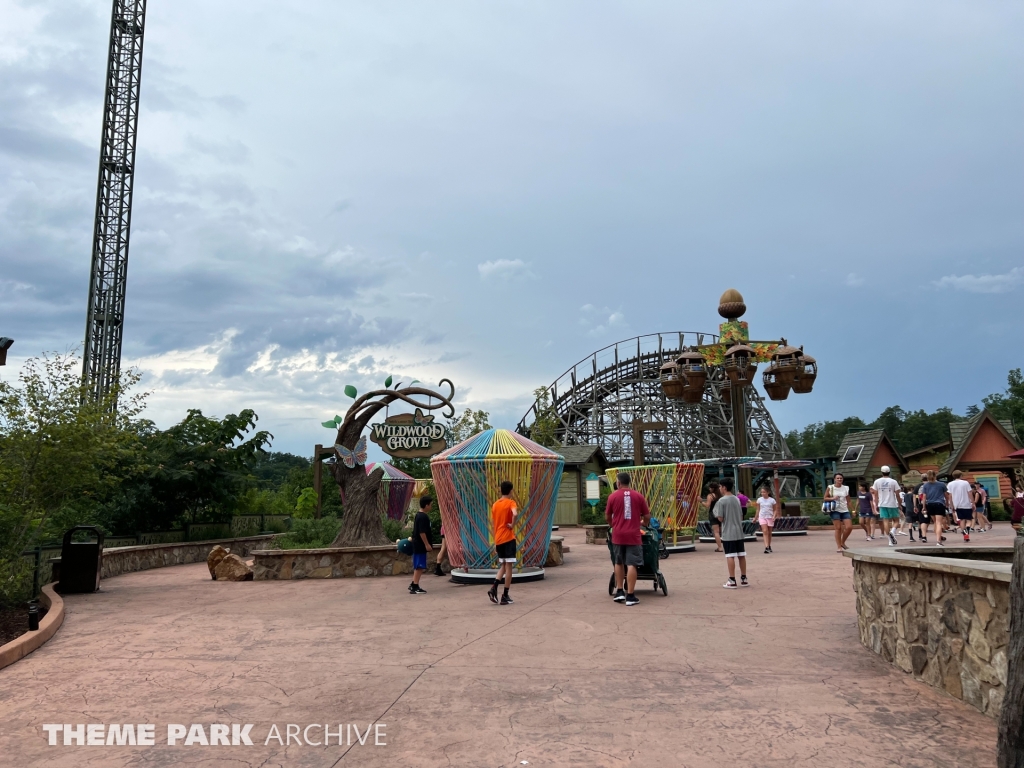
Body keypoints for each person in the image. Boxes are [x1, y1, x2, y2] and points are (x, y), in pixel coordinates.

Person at [606, 471, 651, 606]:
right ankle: (630, 596)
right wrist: (644, 523)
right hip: (634, 534)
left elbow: (608, 516)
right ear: (628, 482)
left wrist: (613, 525)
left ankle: (619, 592)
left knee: (618, 562)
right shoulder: (638, 496)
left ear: (618, 483)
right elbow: (647, 516)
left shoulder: (613, 496)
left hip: (618, 534)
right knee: (632, 564)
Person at [488, 481, 518, 605]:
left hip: (499, 539)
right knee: (509, 567)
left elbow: (494, 524)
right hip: (508, 538)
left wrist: (495, 542)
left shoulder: (495, 505)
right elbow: (515, 513)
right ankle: (505, 595)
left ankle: (494, 587)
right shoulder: (511, 502)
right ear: (510, 491)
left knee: (503, 566)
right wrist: (512, 524)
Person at [717, 477, 748, 588]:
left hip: (728, 532)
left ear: (724, 487)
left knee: (730, 555)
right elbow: (740, 515)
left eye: (720, 486)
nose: (720, 488)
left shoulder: (721, 501)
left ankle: (732, 579)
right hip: (738, 531)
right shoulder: (736, 499)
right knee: (741, 555)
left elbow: (720, 518)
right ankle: (744, 578)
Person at [871, 466, 902, 547]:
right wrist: (899, 503)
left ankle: (890, 541)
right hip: (892, 503)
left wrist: (877, 504)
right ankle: (893, 531)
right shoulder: (893, 481)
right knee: (896, 521)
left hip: (882, 504)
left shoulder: (877, 481)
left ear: (881, 472)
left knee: (885, 521)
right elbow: (897, 494)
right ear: (889, 472)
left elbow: (876, 494)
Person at [409, 496, 433, 594]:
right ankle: (415, 586)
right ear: (426, 505)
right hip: (420, 545)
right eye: (430, 505)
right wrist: (427, 544)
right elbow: (422, 532)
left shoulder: (418, 515)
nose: (431, 507)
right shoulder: (423, 517)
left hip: (417, 544)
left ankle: (413, 583)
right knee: (419, 566)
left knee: (418, 565)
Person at [824, 473, 853, 552]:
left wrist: (853, 510)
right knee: (838, 528)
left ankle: (842, 542)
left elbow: (848, 500)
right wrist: (833, 498)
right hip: (834, 509)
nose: (839, 479)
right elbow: (825, 498)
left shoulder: (846, 488)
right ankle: (839, 546)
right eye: (838, 478)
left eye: (841, 478)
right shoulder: (830, 487)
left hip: (844, 509)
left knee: (849, 527)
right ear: (834, 479)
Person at [920, 470, 951, 546]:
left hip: (930, 504)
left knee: (935, 522)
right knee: (939, 523)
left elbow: (924, 497)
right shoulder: (941, 484)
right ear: (936, 475)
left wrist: (924, 507)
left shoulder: (926, 485)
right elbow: (946, 495)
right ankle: (938, 540)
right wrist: (947, 502)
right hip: (939, 504)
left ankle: (938, 537)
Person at [948, 470, 974, 543]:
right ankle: (967, 532)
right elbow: (970, 493)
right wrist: (973, 502)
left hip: (957, 505)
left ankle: (965, 534)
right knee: (969, 520)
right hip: (967, 504)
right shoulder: (965, 483)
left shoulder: (950, 484)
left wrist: (951, 505)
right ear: (961, 475)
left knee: (962, 520)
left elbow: (950, 495)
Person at [755, 486, 777, 553]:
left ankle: (769, 545)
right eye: (761, 492)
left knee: (769, 533)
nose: (762, 493)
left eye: (764, 492)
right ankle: (766, 547)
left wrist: (774, 516)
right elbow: (758, 509)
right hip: (762, 517)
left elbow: (775, 510)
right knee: (765, 531)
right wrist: (755, 518)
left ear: (768, 492)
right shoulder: (759, 500)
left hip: (770, 517)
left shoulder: (772, 500)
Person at [705, 481, 724, 553]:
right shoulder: (721, 495)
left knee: (716, 532)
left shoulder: (710, 496)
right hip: (721, 514)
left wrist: (701, 501)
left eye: (710, 488)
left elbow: (707, 505)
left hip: (713, 514)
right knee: (722, 531)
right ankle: (726, 545)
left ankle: (720, 547)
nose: (709, 489)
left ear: (712, 488)